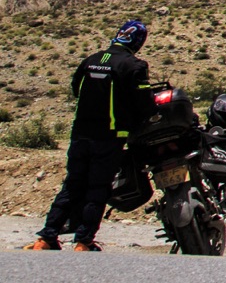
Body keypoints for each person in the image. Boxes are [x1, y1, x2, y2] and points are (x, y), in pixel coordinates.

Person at [30, 19, 151, 251]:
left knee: (72, 185)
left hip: (80, 134)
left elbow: (76, 89)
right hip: (109, 137)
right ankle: (84, 242)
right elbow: (144, 103)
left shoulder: (91, 60)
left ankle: (46, 238)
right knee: (97, 189)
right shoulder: (133, 65)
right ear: (138, 42)